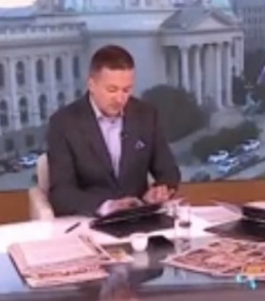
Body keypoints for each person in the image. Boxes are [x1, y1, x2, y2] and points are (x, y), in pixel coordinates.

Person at [45, 44, 181, 216]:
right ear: (91, 84)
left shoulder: (146, 115)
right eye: (112, 90)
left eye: (126, 90)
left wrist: (159, 191)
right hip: (90, 220)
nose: (120, 98)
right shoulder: (64, 123)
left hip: (138, 217)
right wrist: (107, 206)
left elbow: (169, 172)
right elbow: (61, 194)